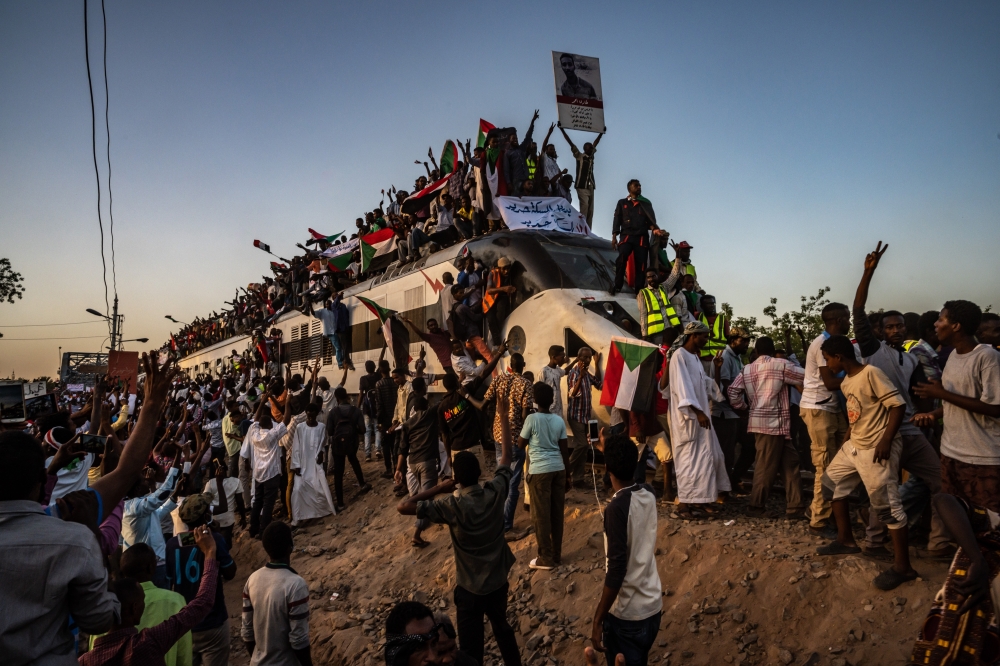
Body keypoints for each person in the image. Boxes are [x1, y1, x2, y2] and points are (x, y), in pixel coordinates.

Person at [397, 394, 521, 666]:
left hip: (470, 588)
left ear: (456, 477)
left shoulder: (451, 506)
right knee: (503, 629)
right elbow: (506, 457)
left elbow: (403, 506)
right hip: (497, 582)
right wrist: (502, 417)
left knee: (471, 649)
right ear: (479, 473)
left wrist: (438, 487)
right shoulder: (495, 492)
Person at [850, 243, 950, 560]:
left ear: (907, 328)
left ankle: (939, 544)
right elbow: (858, 310)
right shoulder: (873, 351)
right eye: (890, 326)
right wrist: (868, 272)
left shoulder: (910, 359)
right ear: (880, 331)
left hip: (909, 431)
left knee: (941, 481)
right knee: (884, 489)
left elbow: (920, 396)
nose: (895, 330)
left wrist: (929, 420)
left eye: (900, 326)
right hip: (882, 433)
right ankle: (874, 543)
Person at [816, 334, 917, 591]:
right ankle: (845, 540)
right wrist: (847, 439)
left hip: (876, 447)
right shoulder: (847, 381)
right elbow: (857, 413)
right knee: (830, 485)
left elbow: (897, 406)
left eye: (828, 359)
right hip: (856, 445)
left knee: (887, 507)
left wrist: (886, 440)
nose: (827, 365)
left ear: (839, 357)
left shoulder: (871, 373)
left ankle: (903, 567)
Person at [81, 525, 220, 666]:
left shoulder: (87, 660)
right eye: (143, 601)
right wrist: (210, 552)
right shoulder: (147, 643)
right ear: (134, 608)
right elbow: (203, 603)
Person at [913, 301, 1000, 516]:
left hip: (982, 457)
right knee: (958, 517)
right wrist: (933, 414)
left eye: (941, 319)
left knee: (988, 522)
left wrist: (941, 394)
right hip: (951, 452)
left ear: (956, 326)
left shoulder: (987, 357)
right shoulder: (953, 355)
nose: (936, 324)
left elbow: (996, 408)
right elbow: (958, 401)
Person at [590, 432, 662, 665]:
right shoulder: (649, 493)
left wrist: (598, 619)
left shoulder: (616, 509)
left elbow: (617, 569)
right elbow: (631, 477)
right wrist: (609, 454)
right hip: (652, 609)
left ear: (608, 469)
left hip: (628, 616)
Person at [727, 336, 806, 518]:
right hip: (773, 424)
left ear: (756, 351)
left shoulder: (747, 369)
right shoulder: (781, 365)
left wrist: (744, 408)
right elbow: (806, 376)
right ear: (772, 350)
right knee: (766, 467)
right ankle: (756, 506)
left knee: (790, 463)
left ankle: (796, 506)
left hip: (766, 425)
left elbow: (732, 391)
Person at [88, 543, 192, 666]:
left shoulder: (107, 605)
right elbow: (183, 655)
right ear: (151, 568)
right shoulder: (174, 601)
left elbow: (94, 651)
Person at [668, 321, 732, 519]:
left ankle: (701, 501)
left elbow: (706, 385)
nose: (707, 340)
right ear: (693, 336)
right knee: (688, 462)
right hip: (688, 419)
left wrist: (717, 369)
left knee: (706, 460)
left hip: (700, 419)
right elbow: (682, 388)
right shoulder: (679, 356)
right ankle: (683, 505)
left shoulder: (694, 358)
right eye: (704, 336)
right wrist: (698, 412)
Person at [798, 301, 852, 537]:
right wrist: (859, 378)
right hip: (819, 408)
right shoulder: (822, 344)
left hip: (830, 408)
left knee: (840, 462)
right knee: (825, 466)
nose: (849, 322)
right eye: (847, 318)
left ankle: (819, 510)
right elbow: (829, 383)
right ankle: (818, 521)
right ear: (839, 320)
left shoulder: (831, 341)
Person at [165, 495, 237, 666]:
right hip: (213, 621)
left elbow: (169, 583)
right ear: (206, 516)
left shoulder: (172, 545)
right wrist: (216, 537)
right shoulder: (215, 540)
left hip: (185, 622)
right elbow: (230, 572)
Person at [465, 352, 533, 531]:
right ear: (523, 365)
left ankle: (497, 520)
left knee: (501, 478)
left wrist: (466, 396)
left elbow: (482, 405)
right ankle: (506, 524)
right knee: (513, 484)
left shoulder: (498, 380)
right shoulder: (526, 383)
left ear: (510, 366)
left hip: (498, 436)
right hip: (516, 438)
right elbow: (525, 416)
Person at [241, 522, 313, 666]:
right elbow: (299, 640)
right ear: (290, 547)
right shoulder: (296, 584)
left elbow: (247, 633)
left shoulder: (253, 579)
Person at [519, 381, 570, 570]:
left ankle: (545, 558)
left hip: (540, 472)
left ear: (534, 400)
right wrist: (568, 476)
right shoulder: (558, 421)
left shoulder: (531, 419)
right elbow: (564, 451)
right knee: (556, 514)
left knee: (541, 516)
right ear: (552, 400)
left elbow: (520, 444)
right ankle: (556, 555)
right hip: (559, 469)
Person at [122, 448, 183, 589]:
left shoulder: (132, 506)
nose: (148, 481)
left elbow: (158, 513)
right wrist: (178, 457)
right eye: (144, 481)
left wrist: (175, 495)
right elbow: (161, 494)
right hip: (151, 566)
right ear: (137, 489)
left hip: (142, 565)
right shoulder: (136, 507)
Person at [244, 386, 292, 538]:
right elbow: (286, 420)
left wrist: (263, 401)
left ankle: (253, 528)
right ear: (270, 424)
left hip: (258, 474)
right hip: (271, 474)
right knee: (268, 503)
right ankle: (263, 530)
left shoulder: (254, 433)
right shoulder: (272, 435)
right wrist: (288, 403)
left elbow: (255, 419)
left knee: (258, 501)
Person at [395, 395, 439, 548]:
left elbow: (402, 449)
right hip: (427, 461)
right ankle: (417, 535)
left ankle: (428, 519)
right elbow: (443, 403)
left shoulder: (407, 424)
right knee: (426, 498)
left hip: (413, 463)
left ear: (414, 408)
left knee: (423, 494)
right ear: (427, 405)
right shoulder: (430, 414)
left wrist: (398, 469)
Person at [610, 180, 665, 295]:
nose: (639, 187)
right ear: (629, 188)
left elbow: (650, 221)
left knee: (641, 265)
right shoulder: (622, 202)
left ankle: (639, 290)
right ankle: (617, 285)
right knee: (621, 258)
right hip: (626, 236)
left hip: (641, 237)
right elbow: (617, 219)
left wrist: (654, 229)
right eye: (636, 185)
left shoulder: (645, 203)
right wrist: (614, 236)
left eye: (640, 185)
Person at [713, 328, 749, 488]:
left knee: (749, 447)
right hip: (725, 413)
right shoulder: (725, 357)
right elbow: (725, 386)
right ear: (733, 340)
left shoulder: (737, 358)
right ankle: (723, 488)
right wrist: (739, 409)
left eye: (748, 341)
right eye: (743, 340)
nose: (747, 344)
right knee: (726, 452)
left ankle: (732, 480)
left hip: (735, 412)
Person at [290, 402, 336, 524]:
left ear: (316, 415)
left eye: (312, 415)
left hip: (315, 464)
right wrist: (296, 464)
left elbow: (323, 443)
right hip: (302, 463)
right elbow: (296, 447)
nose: (310, 418)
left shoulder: (321, 427)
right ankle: (298, 516)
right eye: (308, 415)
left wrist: (321, 453)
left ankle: (317, 512)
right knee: (298, 489)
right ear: (306, 414)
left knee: (318, 488)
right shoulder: (300, 427)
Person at [326, 387, 371, 511]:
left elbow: (330, 432)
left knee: (338, 472)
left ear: (336, 398)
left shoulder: (333, 412)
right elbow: (363, 430)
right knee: (354, 460)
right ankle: (362, 484)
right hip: (352, 443)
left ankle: (340, 503)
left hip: (338, 446)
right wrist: (352, 430)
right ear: (347, 396)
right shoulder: (355, 411)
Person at [567, 347, 603, 486]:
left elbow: (598, 383)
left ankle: (578, 479)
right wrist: (581, 377)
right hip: (576, 416)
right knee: (582, 444)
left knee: (584, 448)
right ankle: (565, 472)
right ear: (579, 358)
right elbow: (572, 393)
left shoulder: (586, 373)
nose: (587, 360)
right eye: (585, 357)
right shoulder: (574, 373)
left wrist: (597, 364)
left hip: (585, 416)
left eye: (589, 357)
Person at [559, 126, 602, 228]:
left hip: (591, 186)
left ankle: (588, 230)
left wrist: (601, 133)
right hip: (582, 186)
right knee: (584, 207)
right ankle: (582, 228)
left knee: (590, 210)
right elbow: (570, 143)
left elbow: (596, 143)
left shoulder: (591, 156)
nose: (592, 148)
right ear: (585, 149)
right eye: (590, 147)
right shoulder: (579, 156)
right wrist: (562, 130)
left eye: (591, 147)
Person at [202, 459, 245, 548]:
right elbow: (240, 502)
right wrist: (243, 518)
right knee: (226, 544)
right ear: (226, 468)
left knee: (214, 544)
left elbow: (204, 502)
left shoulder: (210, 483)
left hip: (213, 520)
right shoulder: (236, 482)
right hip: (228, 520)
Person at [636, 269, 682, 345]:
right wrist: (644, 335)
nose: (651, 279)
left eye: (653, 276)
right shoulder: (643, 293)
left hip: (669, 328)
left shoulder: (664, 287)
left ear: (658, 276)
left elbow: (674, 275)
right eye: (648, 277)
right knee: (661, 351)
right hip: (657, 333)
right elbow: (643, 315)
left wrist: (678, 261)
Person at [483, 257, 517, 345]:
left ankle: (496, 343)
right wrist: (504, 289)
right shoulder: (492, 274)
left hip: (501, 299)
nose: (506, 271)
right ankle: (496, 345)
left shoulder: (509, 275)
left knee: (499, 320)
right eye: (504, 269)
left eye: (508, 268)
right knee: (491, 321)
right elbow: (489, 290)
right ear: (499, 268)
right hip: (489, 303)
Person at [374, 361, 398, 477]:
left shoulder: (379, 384)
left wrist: (379, 422)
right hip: (396, 418)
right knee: (395, 444)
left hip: (385, 419)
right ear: (389, 369)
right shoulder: (395, 382)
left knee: (386, 444)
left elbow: (379, 404)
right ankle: (397, 468)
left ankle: (389, 470)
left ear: (380, 370)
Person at [697, 295, 730, 374]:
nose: (712, 306)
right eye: (708, 304)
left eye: (713, 303)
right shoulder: (698, 318)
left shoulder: (722, 319)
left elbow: (728, 339)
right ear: (702, 306)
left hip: (719, 359)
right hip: (702, 360)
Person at [358, 360, 382, 462]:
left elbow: (361, 395)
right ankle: (378, 450)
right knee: (377, 429)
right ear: (374, 367)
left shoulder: (363, 379)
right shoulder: (378, 376)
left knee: (367, 430)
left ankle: (368, 454)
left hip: (367, 408)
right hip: (377, 406)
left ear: (366, 368)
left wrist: (357, 407)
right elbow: (380, 360)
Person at [541, 344, 569, 419]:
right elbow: (539, 392)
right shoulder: (544, 371)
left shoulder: (557, 370)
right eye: (562, 357)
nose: (563, 359)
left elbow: (565, 371)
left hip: (558, 410)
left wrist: (576, 361)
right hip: (548, 411)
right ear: (554, 357)